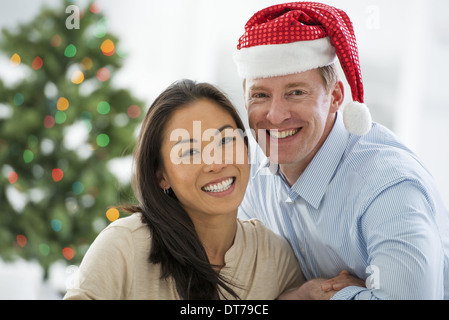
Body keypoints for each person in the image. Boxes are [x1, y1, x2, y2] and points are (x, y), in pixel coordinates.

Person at [234, 2, 449, 300]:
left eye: (296, 92)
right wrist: (305, 296)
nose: (275, 115)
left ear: (335, 97)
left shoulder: (389, 187)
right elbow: (233, 288)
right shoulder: (253, 175)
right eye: (260, 95)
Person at [64, 79, 312, 300]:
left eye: (226, 141)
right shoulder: (123, 246)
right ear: (161, 176)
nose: (216, 163)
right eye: (190, 152)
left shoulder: (273, 256)